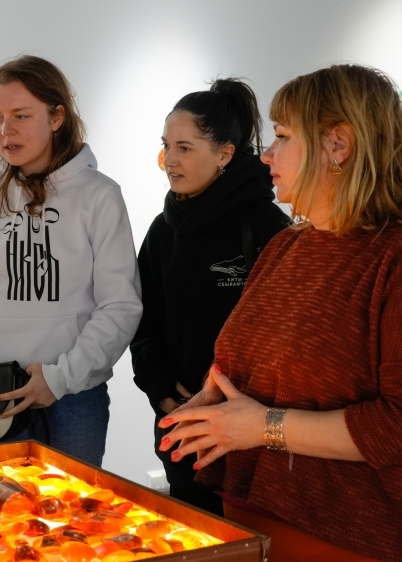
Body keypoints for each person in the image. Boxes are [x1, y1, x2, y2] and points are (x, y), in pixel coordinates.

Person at [159, 64, 402, 562]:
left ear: (337, 146)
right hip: (259, 516)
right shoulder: (288, 246)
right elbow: (261, 360)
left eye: (282, 137)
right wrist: (216, 398)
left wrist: (261, 426)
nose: (267, 154)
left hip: (366, 538)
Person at [0, 55, 142, 467]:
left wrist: (60, 378)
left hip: (75, 397)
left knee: (73, 507)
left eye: (21, 116)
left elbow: (120, 305)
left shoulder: (99, 195)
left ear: (57, 117)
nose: (5, 131)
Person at [130, 79, 290, 515]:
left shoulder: (265, 226)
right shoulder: (162, 230)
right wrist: (160, 387)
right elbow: (142, 318)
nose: (170, 160)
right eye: (167, 146)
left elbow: (284, 336)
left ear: (225, 154)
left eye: (185, 148)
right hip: (184, 431)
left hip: (252, 437)